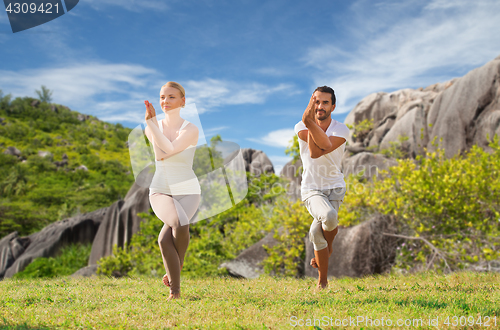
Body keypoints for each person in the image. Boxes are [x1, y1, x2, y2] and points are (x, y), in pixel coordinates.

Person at [143, 81, 201, 300]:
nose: (165, 101)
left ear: (183, 101)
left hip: (188, 190)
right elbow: (159, 155)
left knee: (163, 240)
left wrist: (152, 125)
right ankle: (178, 270)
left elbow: (169, 149)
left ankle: (174, 291)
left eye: (171, 97)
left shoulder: (191, 129)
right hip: (161, 190)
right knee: (179, 222)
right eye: (162, 97)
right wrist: (152, 125)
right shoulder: (152, 125)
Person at [294, 86, 349, 289]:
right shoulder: (300, 126)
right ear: (311, 103)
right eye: (316, 101)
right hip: (312, 189)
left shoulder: (340, 129)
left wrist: (310, 121)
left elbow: (321, 148)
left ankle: (322, 282)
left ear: (333, 106)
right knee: (329, 217)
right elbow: (314, 152)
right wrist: (308, 122)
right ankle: (329, 251)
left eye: (325, 102)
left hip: (335, 187)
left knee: (317, 231)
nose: (320, 106)